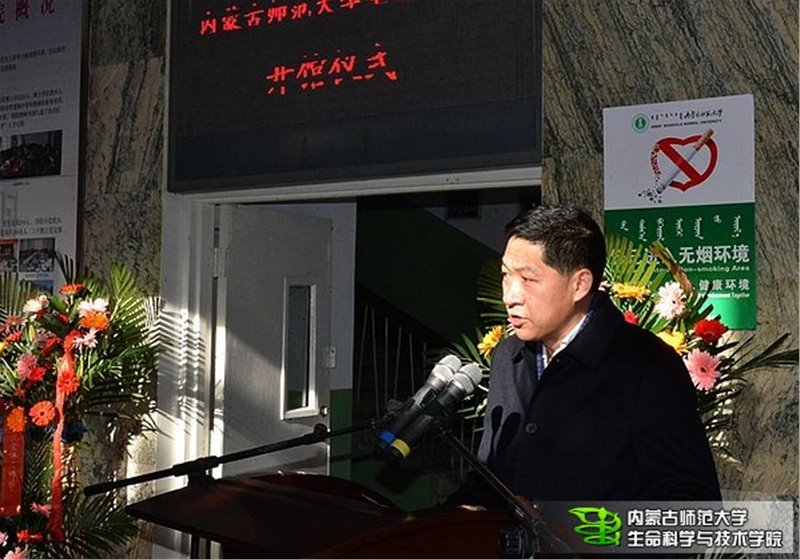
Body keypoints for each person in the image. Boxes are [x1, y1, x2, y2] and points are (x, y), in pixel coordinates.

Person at [446, 205, 721, 507]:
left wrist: (576, 527)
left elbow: (691, 502)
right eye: (505, 276)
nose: (509, 295)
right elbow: (490, 477)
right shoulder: (508, 356)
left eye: (528, 279)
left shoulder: (647, 365)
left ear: (579, 284)